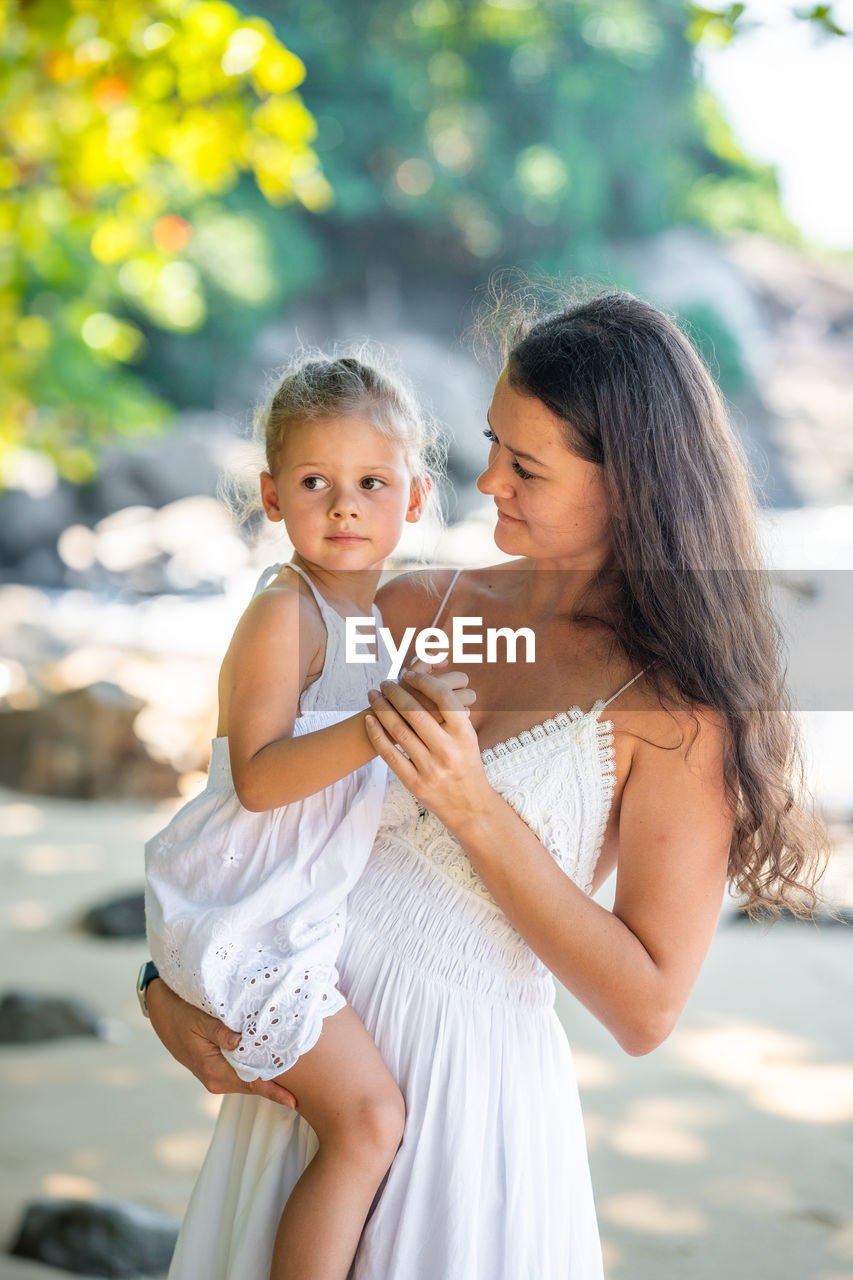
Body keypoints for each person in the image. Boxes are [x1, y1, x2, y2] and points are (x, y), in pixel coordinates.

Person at [146, 291, 825, 1280]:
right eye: (491, 442)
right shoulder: (415, 604)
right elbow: (251, 812)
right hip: (309, 1064)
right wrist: (164, 987)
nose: (485, 477)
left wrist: (470, 803)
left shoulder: (674, 707)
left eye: (527, 465)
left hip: (466, 1098)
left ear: (626, 485)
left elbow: (644, 1008)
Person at [143, 352, 474, 1280]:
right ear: (270, 497)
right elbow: (259, 778)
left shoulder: (371, 618)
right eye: (314, 482)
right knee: (368, 1124)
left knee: (363, 1123)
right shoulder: (284, 614)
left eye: (371, 482)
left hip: (291, 910)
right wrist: (383, 724)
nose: (343, 507)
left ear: (413, 500)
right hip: (244, 919)